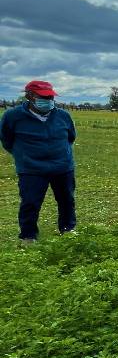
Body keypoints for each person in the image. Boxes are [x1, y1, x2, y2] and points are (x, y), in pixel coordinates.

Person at [1, 80, 76, 243]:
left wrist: (61, 153)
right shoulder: (13, 117)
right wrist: (24, 156)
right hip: (31, 169)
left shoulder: (63, 116)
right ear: (29, 96)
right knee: (30, 203)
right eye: (43, 96)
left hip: (62, 166)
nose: (48, 100)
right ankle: (28, 236)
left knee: (67, 200)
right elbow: (7, 140)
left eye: (50, 96)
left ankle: (68, 230)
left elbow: (71, 137)